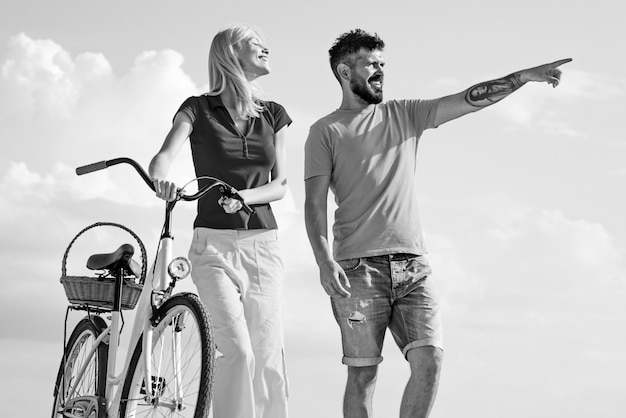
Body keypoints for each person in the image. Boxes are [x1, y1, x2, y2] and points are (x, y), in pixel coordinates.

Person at [304, 28, 570, 418]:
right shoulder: (324, 131)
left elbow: (469, 99)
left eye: (383, 63)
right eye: (370, 63)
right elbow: (314, 205)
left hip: (414, 266)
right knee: (363, 375)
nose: (380, 70)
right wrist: (324, 261)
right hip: (358, 270)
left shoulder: (405, 113)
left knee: (430, 361)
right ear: (345, 71)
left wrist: (521, 77)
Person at [149, 24, 291, 418]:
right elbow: (164, 154)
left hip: (264, 245)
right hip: (211, 247)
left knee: (268, 356)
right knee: (237, 349)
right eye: (255, 44)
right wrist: (160, 175)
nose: (266, 48)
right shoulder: (197, 107)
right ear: (230, 52)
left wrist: (244, 196)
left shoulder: (274, 115)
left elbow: (279, 185)